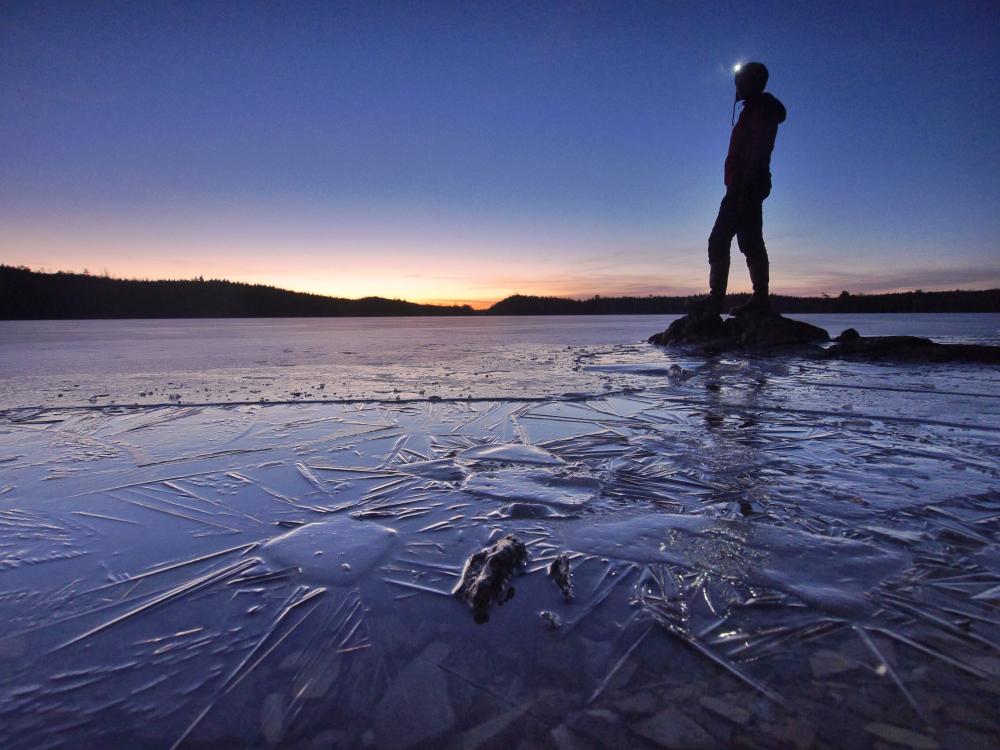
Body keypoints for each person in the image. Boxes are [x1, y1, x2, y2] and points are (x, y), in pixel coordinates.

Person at [694, 61, 786, 316]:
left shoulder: (760, 109)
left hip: (745, 185)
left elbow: (760, 148)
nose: (737, 86)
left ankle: (717, 301)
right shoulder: (753, 110)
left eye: (740, 81)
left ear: (753, 82)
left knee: (720, 239)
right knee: (750, 240)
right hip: (744, 184)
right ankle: (760, 300)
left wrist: (745, 183)